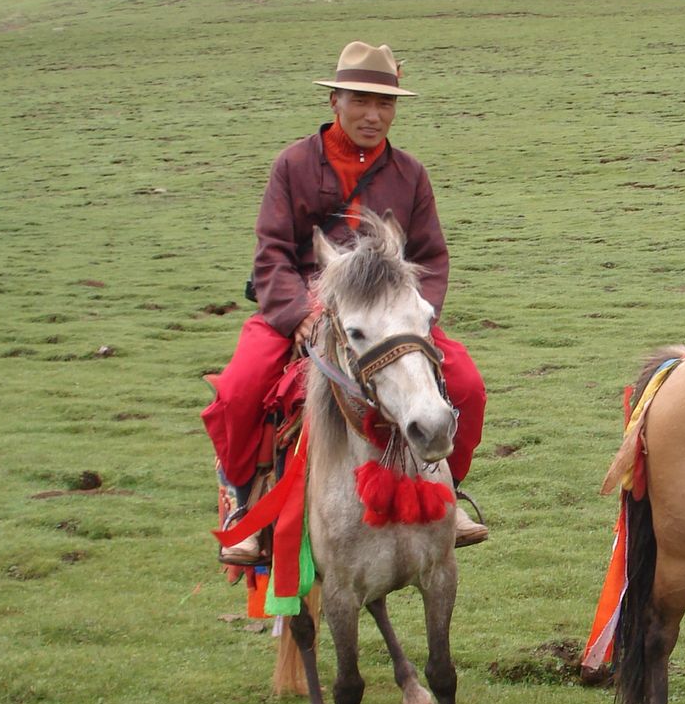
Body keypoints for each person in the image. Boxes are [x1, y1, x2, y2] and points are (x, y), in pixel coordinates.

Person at [202, 41, 488, 563]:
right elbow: (271, 253)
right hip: (303, 309)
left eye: (385, 104)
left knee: (466, 384)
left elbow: (431, 258)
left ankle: (450, 492)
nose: (373, 115)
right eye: (360, 101)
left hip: (387, 319)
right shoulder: (292, 165)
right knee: (240, 390)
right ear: (335, 101)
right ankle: (245, 505)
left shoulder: (411, 174)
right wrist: (300, 316)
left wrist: (413, 320)